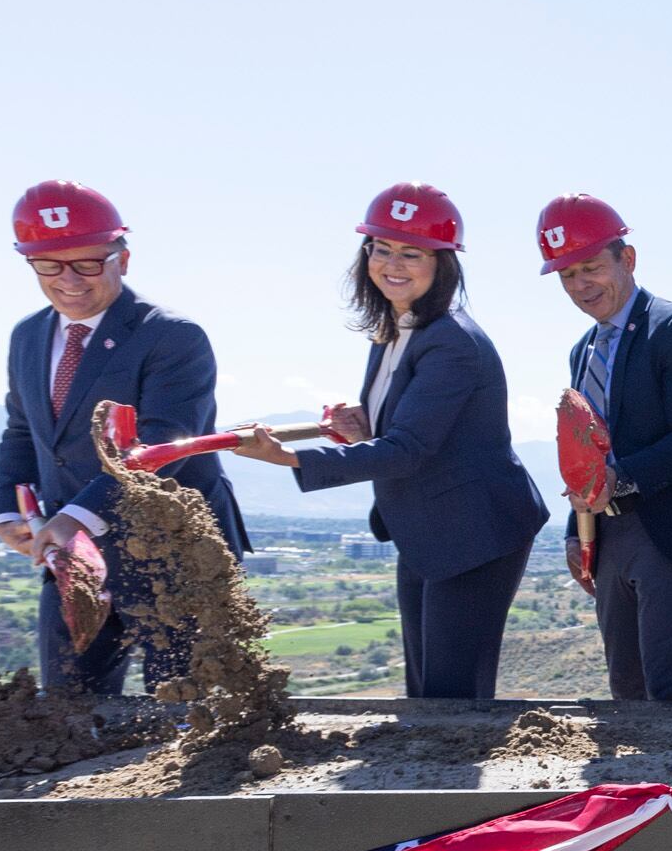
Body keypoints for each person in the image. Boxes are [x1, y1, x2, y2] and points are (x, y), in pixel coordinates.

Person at [232, 184, 547, 699]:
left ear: (442, 263)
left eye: (411, 253)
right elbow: (415, 432)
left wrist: (285, 456)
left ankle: (450, 777)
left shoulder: (451, 341)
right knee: (426, 688)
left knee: (451, 695)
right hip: (427, 529)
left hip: (475, 532)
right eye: (381, 249)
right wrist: (364, 428)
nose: (392, 264)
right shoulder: (397, 330)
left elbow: (409, 450)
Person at [0, 179, 249, 693]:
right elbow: (22, 431)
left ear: (122, 259)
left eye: (87, 262)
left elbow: (159, 447)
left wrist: (73, 517)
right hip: (74, 557)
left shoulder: (172, 336)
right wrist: (6, 511)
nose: (70, 279)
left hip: (175, 557)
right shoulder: (27, 336)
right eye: (49, 265)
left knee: (187, 715)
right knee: (69, 712)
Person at [541, 193, 672, 703]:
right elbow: (584, 453)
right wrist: (578, 532)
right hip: (609, 536)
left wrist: (623, 478)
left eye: (591, 268)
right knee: (627, 689)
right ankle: (637, 785)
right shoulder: (583, 349)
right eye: (568, 275)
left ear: (628, 259)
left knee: (670, 692)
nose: (580, 285)